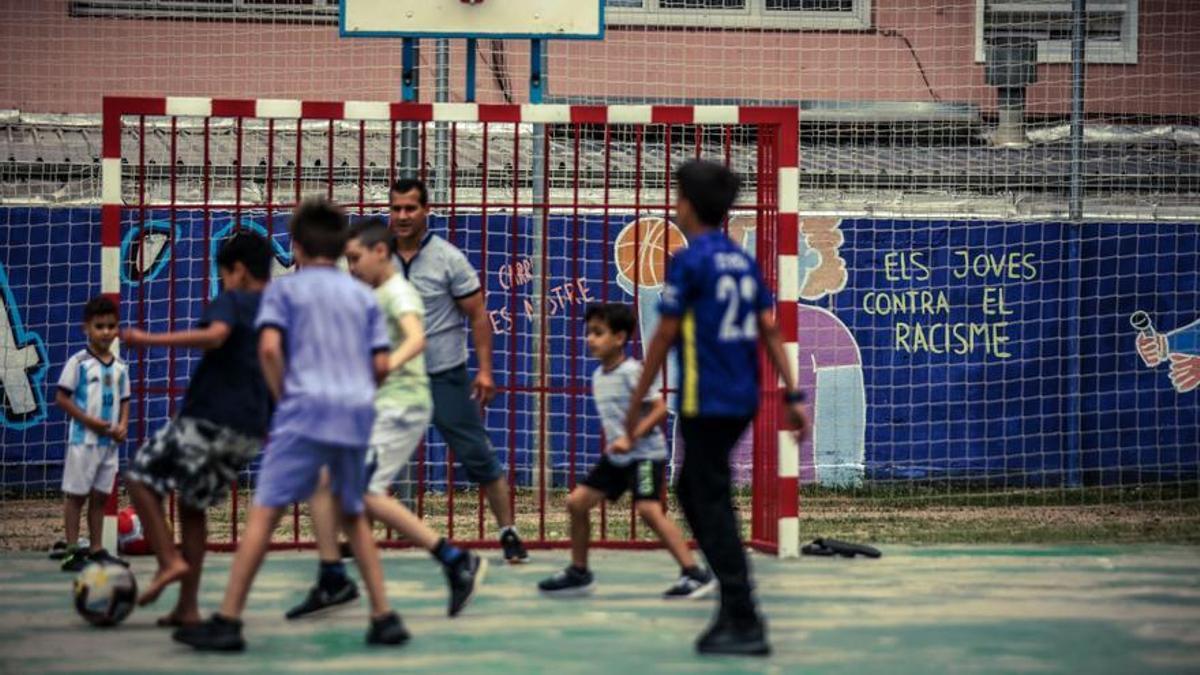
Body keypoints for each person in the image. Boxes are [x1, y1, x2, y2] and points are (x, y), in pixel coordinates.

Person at [173, 198, 408, 651]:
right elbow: (380, 363)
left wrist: (284, 399)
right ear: (343, 247)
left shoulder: (284, 292)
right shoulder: (363, 295)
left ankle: (228, 619)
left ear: (295, 247)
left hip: (303, 411)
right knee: (354, 514)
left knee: (264, 512)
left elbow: (267, 351)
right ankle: (384, 616)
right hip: (353, 412)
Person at [626, 160, 810, 657]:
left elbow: (665, 333)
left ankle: (743, 611)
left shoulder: (690, 261)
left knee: (707, 498)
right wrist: (793, 395)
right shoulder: (739, 258)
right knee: (696, 490)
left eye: (678, 196)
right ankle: (732, 608)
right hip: (742, 397)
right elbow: (770, 328)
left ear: (689, 203)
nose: (675, 204)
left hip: (705, 398)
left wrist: (641, 394)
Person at [286, 218, 486, 620]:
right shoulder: (374, 295)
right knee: (323, 481)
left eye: (356, 258)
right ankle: (332, 576)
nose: (352, 266)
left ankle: (454, 559)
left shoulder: (399, 293)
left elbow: (416, 337)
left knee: (363, 495)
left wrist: (387, 365)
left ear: (381, 252)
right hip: (377, 407)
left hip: (399, 408)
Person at [120, 231, 273, 627]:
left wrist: (148, 338)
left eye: (223, 274)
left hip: (210, 418)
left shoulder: (233, 299)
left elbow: (215, 335)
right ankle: (187, 608)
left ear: (237, 270)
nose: (223, 281)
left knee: (138, 477)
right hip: (249, 430)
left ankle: (169, 560)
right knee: (192, 507)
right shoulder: (277, 307)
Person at [388, 178, 528, 563]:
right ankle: (357, 535)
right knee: (368, 456)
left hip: (443, 374)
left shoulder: (447, 257)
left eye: (410, 208)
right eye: (396, 208)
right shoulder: (376, 257)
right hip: (394, 378)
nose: (402, 216)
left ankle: (509, 532)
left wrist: (484, 371)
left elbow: (478, 315)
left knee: (477, 454)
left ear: (426, 211)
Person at [537, 302, 715, 600]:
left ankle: (694, 572)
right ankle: (579, 572)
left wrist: (632, 437)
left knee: (648, 510)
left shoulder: (633, 372)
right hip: (619, 457)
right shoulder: (598, 377)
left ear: (619, 338)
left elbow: (659, 410)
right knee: (577, 504)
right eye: (588, 333)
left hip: (645, 454)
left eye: (598, 333)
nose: (590, 339)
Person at [54, 295, 130, 572]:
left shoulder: (120, 366)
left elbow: (125, 400)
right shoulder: (79, 362)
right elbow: (62, 398)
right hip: (83, 442)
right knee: (76, 496)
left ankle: (97, 548)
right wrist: (88, 421)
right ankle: (72, 551)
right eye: (100, 326)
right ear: (87, 328)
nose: (106, 332)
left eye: (111, 326)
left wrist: (122, 425)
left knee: (100, 497)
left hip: (109, 445)